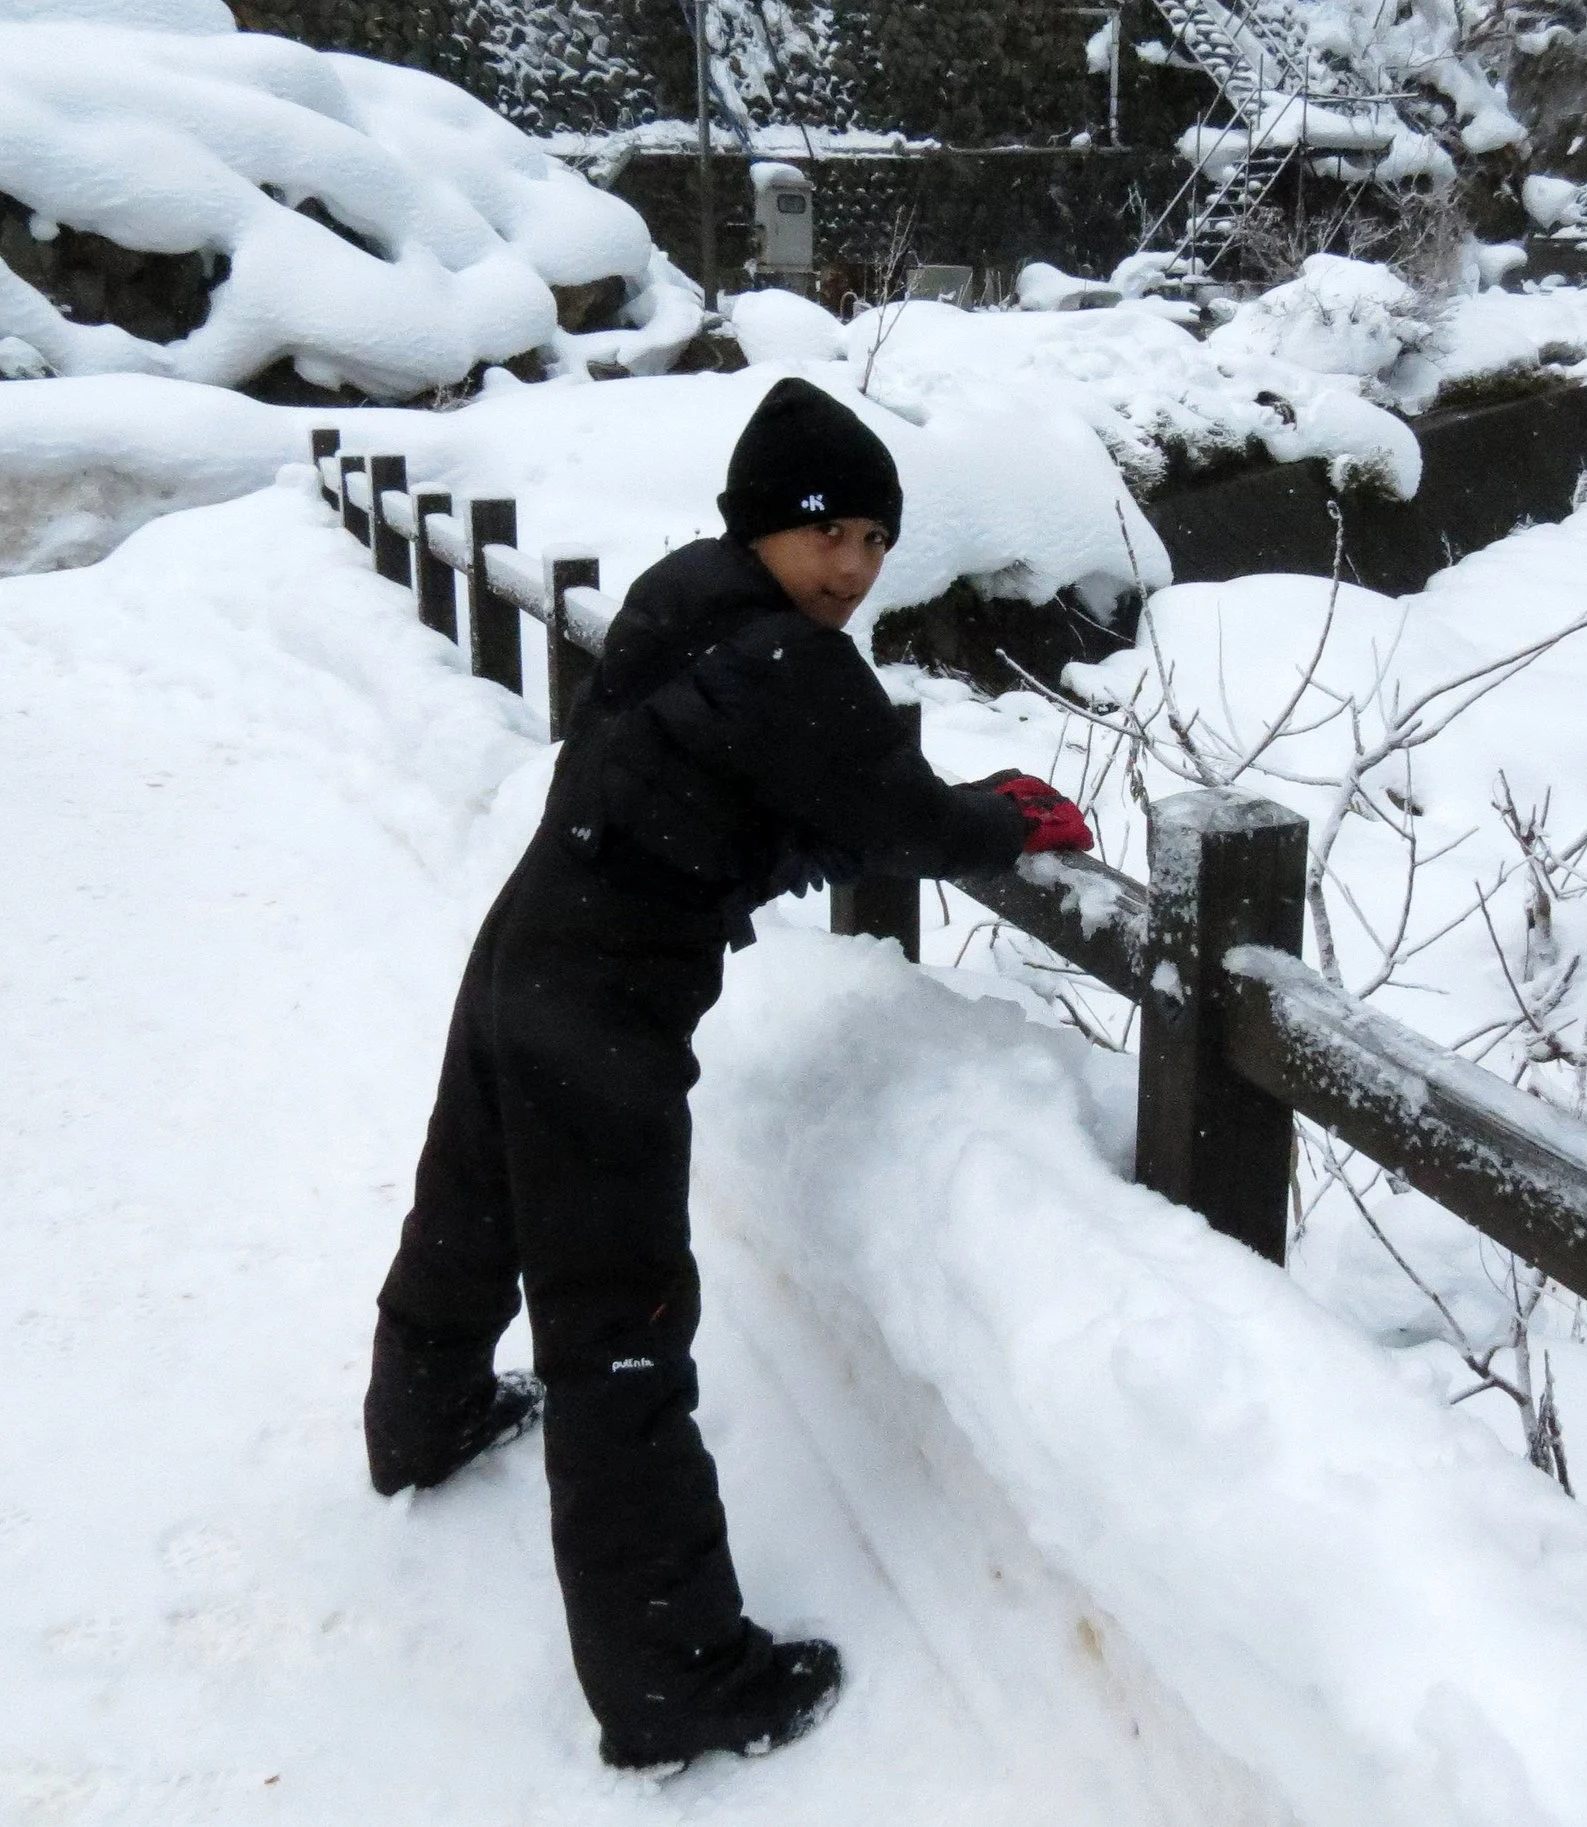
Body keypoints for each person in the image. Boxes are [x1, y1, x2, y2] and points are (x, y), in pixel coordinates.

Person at [362, 377, 1094, 1770]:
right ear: (772, 521)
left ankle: (426, 1408)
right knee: (619, 1330)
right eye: (837, 534)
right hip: (601, 1008)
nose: (858, 569)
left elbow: (732, 794)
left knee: (472, 1196)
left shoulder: (680, 600)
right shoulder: (789, 665)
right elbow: (901, 817)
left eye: (880, 543)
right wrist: (1007, 815)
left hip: (526, 940)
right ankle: (671, 1679)